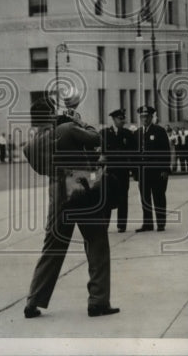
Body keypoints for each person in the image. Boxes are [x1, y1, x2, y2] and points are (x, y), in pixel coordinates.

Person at [24, 99, 118, 319]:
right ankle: (98, 301)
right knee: (96, 244)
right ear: (50, 115)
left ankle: (33, 300)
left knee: (52, 247)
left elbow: (37, 165)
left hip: (57, 192)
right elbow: (96, 138)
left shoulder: (33, 144)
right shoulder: (67, 128)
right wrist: (80, 122)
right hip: (81, 186)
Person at [133, 106, 171, 231]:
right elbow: (134, 155)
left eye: (147, 116)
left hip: (156, 171)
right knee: (145, 199)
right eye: (142, 117)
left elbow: (166, 151)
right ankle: (147, 223)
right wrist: (135, 172)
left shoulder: (159, 131)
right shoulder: (138, 133)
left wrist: (165, 170)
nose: (145, 119)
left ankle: (161, 223)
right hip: (143, 172)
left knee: (158, 197)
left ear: (151, 117)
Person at [102, 109, 134, 232]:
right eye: (120, 119)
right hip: (109, 172)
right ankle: (105, 225)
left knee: (123, 198)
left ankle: (122, 225)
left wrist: (132, 169)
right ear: (114, 119)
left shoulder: (128, 134)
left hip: (123, 172)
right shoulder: (105, 133)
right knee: (107, 198)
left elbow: (133, 153)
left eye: (123, 118)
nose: (123, 121)